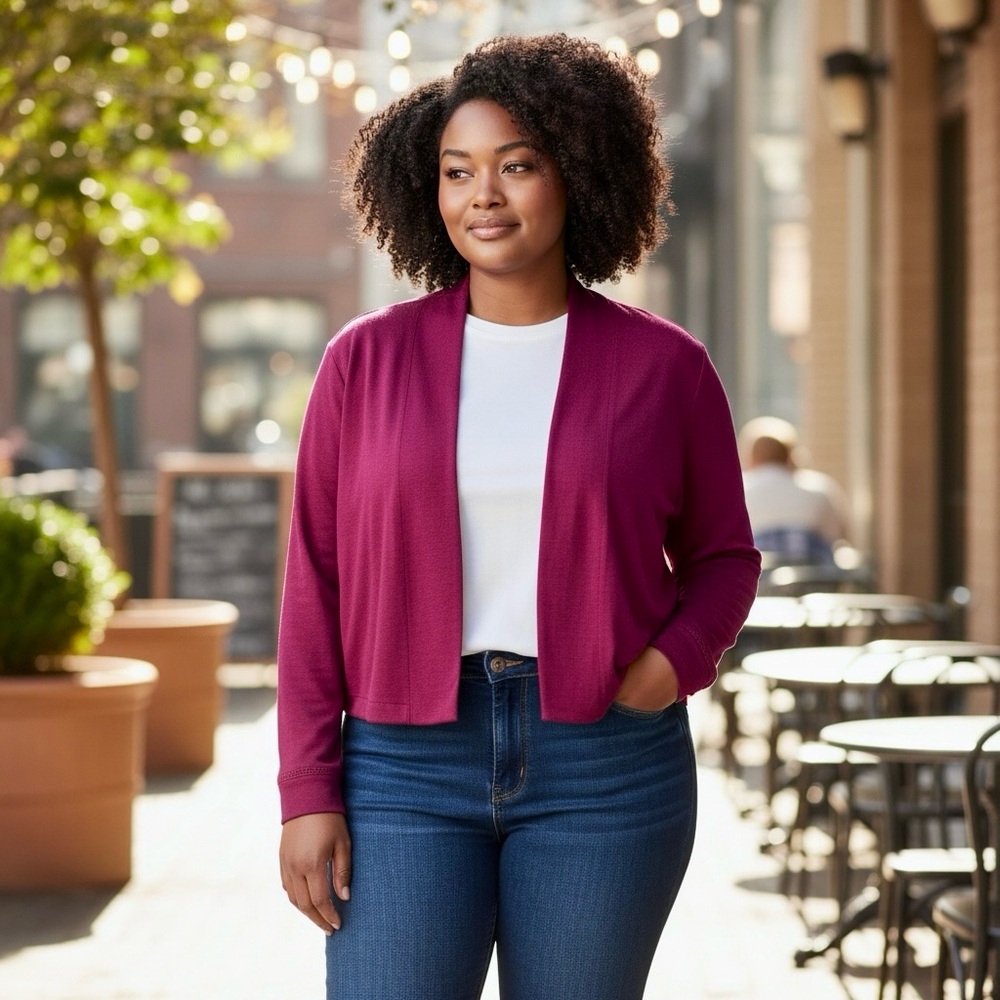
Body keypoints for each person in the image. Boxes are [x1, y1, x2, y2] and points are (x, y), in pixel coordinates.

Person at [277, 33, 761, 1000]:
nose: (482, 195)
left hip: (606, 766)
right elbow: (312, 583)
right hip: (403, 765)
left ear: (579, 174)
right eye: (458, 172)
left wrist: (666, 672)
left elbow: (722, 560)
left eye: (517, 165)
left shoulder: (665, 368)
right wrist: (307, 788)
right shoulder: (361, 364)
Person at [739, 415, 851, 566]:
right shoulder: (821, 488)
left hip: (758, 583)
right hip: (816, 581)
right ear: (790, 454)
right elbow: (835, 537)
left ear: (750, 457)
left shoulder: (740, 491)